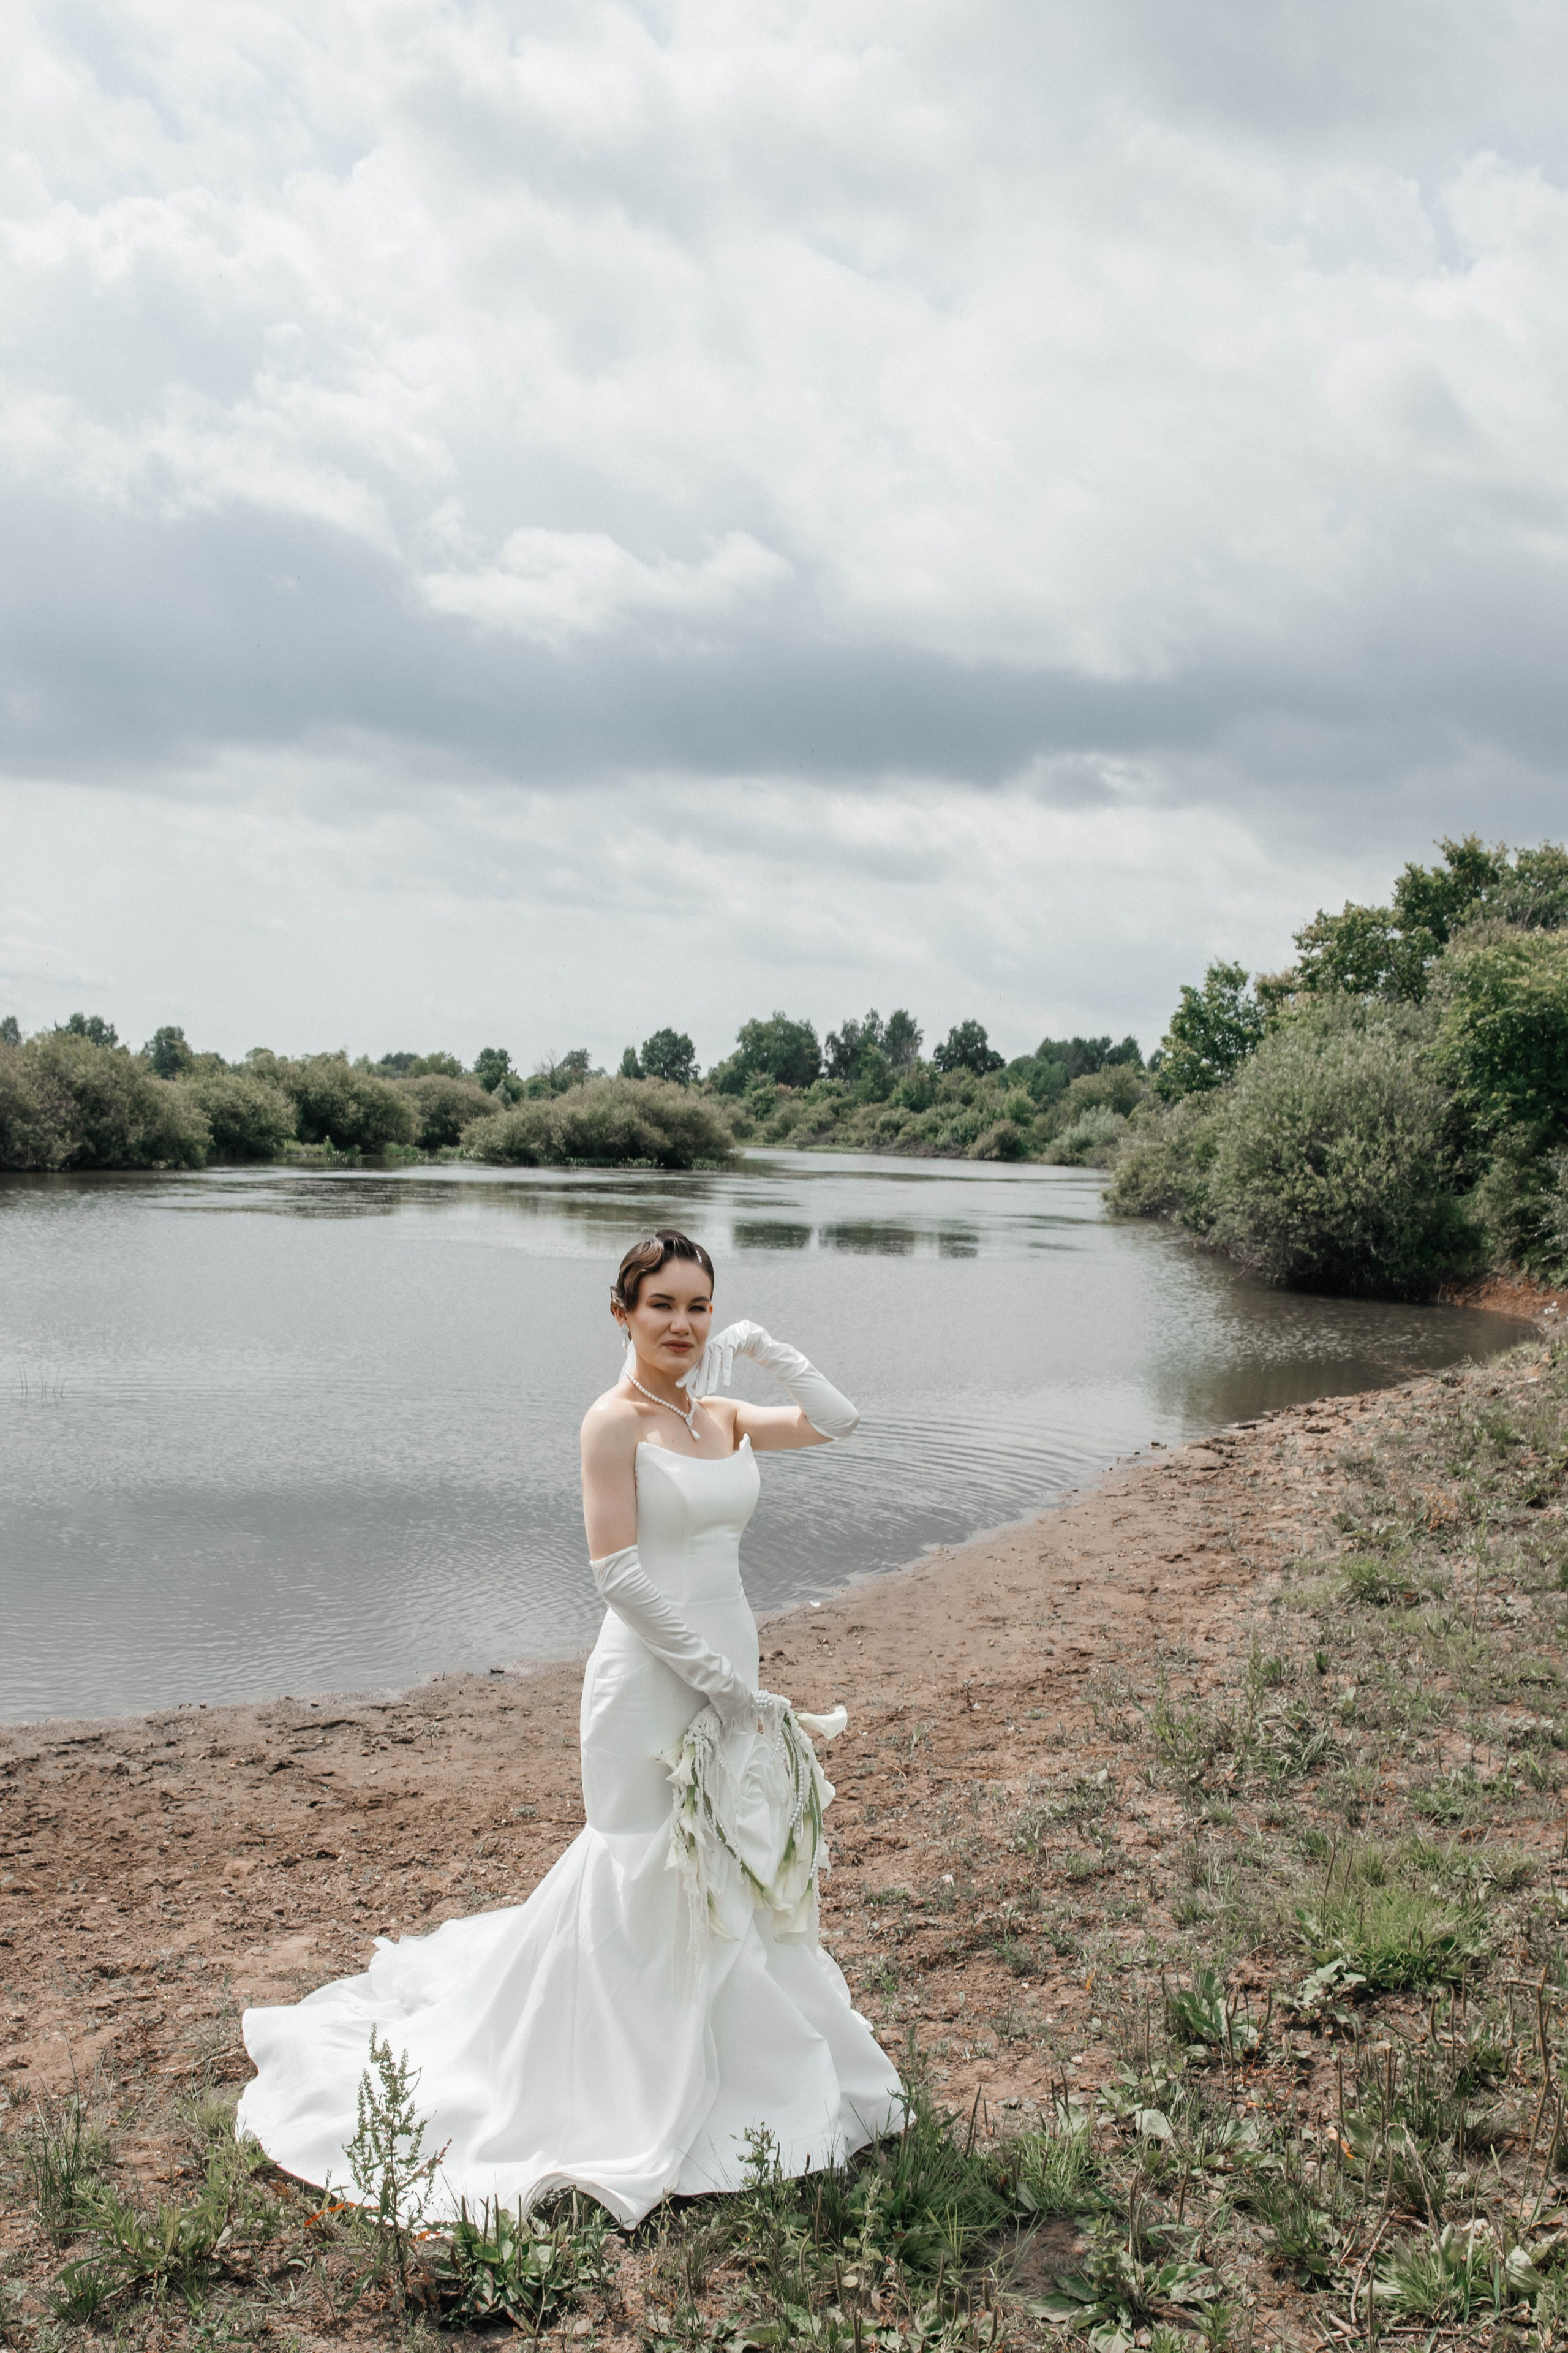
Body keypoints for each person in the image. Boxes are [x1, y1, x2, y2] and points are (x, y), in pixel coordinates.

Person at [236, 1228, 902, 2225]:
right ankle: (615, 2082)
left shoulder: (722, 1414)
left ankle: (737, 2073)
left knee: (726, 1856)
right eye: (663, 1305)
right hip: (649, 1672)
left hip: (732, 1660)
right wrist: (711, 1678)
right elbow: (617, 1573)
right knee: (641, 1857)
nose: (683, 1324)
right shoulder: (613, 1421)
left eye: (699, 1306)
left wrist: (775, 1352)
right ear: (622, 1311)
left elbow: (842, 1423)